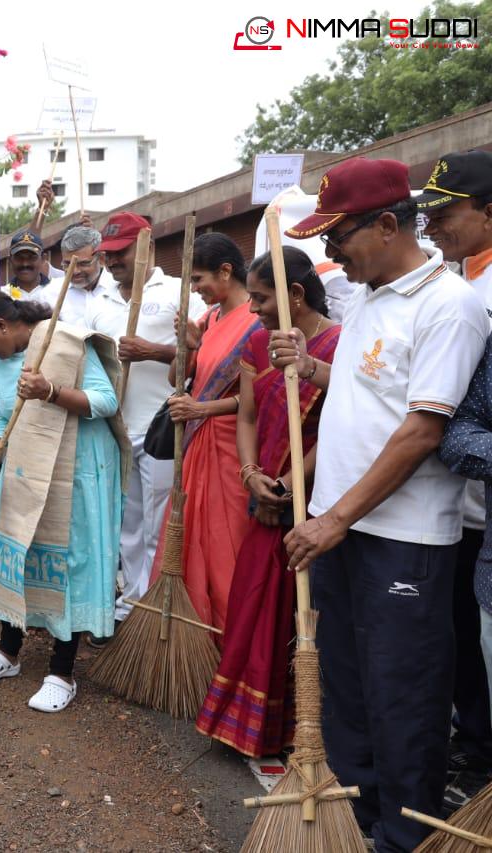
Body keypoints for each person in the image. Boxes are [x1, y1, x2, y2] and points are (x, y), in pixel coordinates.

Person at [272, 157, 487, 852]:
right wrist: (310, 366)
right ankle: (359, 822)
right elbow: (373, 389)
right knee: (350, 690)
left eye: (339, 237)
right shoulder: (365, 296)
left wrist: (335, 517)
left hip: (402, 540)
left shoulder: (450, 306)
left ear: (389, 224)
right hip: (340, 530)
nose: (329, 253)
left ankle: (404, 836)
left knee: (404, 696)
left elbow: (423, 427)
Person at [196, 248, 339, 759]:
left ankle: (297, 730)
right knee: (254, 599)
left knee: (300, 609)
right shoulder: (258, 342)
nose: (253, 310)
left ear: (294, 295)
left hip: (312, 501)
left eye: (260, 298)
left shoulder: (337, 346)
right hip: (264, 496)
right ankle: (244, 723)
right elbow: (251, 419)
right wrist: (252, 473)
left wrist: (288, 483)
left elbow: (341, 426)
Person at [0, 289, 128, 712]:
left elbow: (106, 402)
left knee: (66, 560)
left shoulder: (64, 340)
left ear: (1, 326)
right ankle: (8, 651)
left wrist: (50, 390)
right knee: (16, 547)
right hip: (26, 465)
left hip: (77, 470)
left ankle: (62, 672)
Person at [89, 211, 207, 623]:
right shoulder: (98, 302)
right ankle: (131, 603)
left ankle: (157, 606)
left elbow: (206, 355)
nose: (113, 261)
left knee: (162, 524)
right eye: (108, 254)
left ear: (147, 245)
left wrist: (153, 352)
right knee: (129, 525)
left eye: (122, 252)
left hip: (163, 428)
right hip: (117, 428)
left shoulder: (180, 291)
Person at [419, 149, 492, 811]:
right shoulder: (462, 280)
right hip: (468, 499)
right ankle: (475, 744)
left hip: (477, 492)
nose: (432, 223)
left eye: (446, 212)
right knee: (466, 630)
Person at [153, 233, 260, 633]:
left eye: (198, 280)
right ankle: (190, 638)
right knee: (191, 540)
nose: (195, 290)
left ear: (226, 271)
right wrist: (188, 347)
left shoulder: (257, 318)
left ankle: (231, 642)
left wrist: (203, 408)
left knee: (227, 543)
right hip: (197, 441)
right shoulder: (208, 318)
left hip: (234, 444)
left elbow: (259, 398)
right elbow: (176, 379)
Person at [56, 224, 114, 322]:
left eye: (83, 264)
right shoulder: (49, 294)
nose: (75, 271)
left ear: (101, 259)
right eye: (67, 264)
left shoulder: (119, 289)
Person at [2, 229, 60, 309]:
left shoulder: (58, 291)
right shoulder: (3, 295)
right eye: (19, 258)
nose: (25, 263)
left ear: (43, 259)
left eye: (32, 258)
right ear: (10, 260)